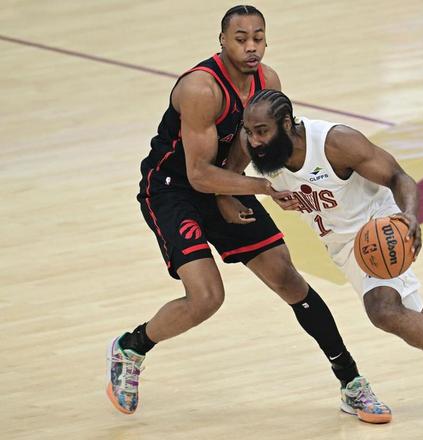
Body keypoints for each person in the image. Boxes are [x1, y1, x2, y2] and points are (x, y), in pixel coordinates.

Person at [105, 5, 391, 424]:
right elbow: (198, 173)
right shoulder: (201, 89)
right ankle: (131, 348)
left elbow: (248, 139)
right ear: (222, 41)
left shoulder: (267, 82)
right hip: (173, 189)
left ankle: (351, 383)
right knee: (207, 297)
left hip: (225, 180)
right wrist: (262, 189)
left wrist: (233, 187)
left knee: (288, 279)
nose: (251, 46)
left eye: (258, 38)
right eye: (241, 39)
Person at [226, 88, 423, 429]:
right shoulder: (259, 146)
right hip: (341, 246)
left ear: (286, 123)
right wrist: (257, 191)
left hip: (377, 231)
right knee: (417, 321)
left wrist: (410, 215)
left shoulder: (335, 143)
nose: (254, 140)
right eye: (249, 132)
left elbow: (399, 177)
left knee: (383, 310)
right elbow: (229, 173)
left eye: (261, 131)